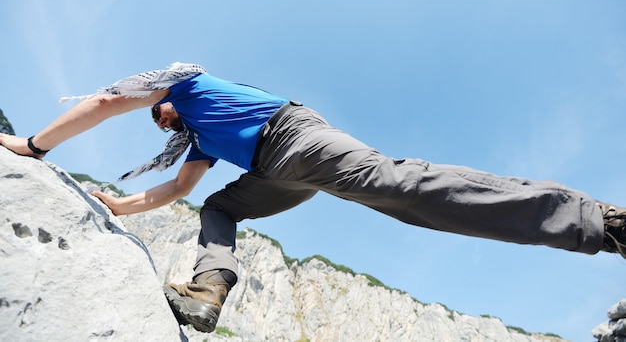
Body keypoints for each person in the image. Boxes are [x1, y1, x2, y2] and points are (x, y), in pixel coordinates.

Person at [1, 63, 625, 334]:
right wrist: (109, 210)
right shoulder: (200, 139)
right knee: (220, 208)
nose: (158, 122)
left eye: (157, 114)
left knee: (401, 188)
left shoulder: (187, 85)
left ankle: (597, 221)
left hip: (297, 138)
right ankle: (209, 287)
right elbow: (179, 190)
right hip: (278, 175)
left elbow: (108, 100)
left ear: (162, 94)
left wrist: (34, 145)